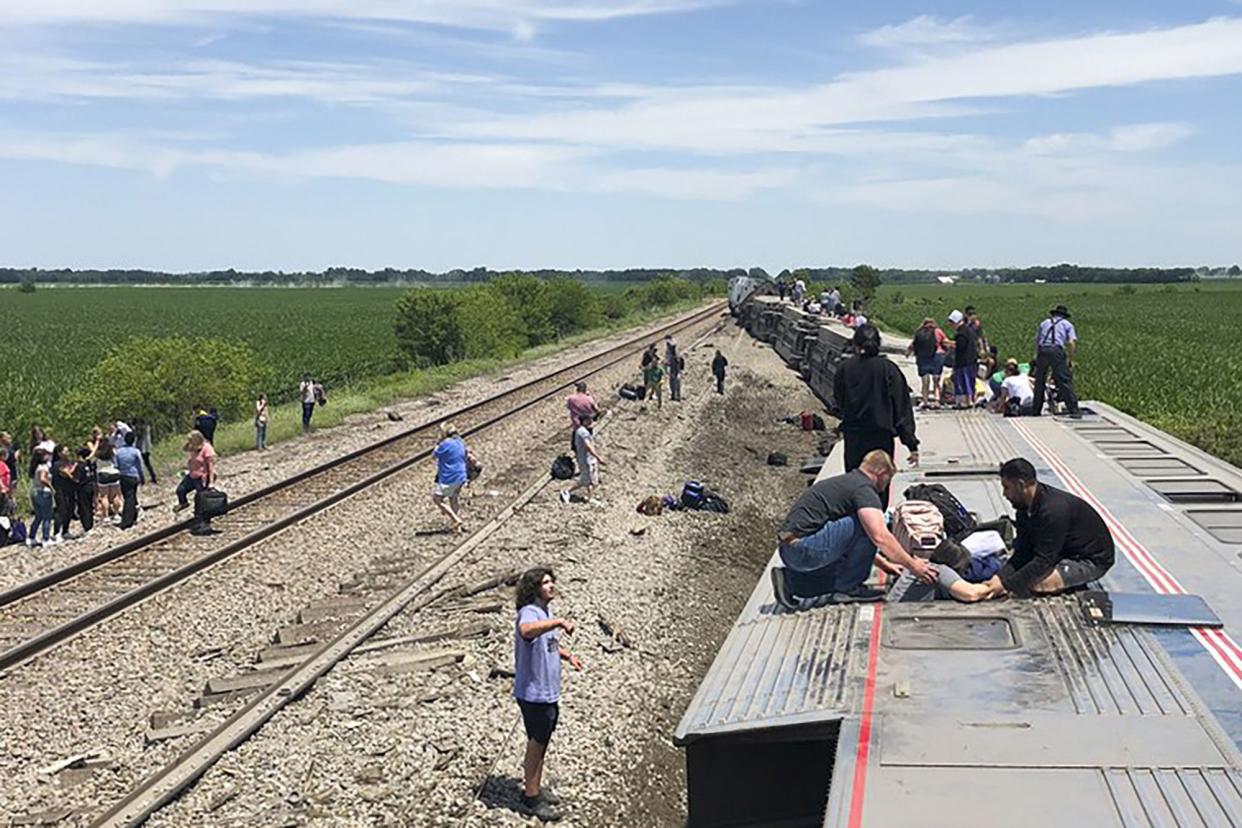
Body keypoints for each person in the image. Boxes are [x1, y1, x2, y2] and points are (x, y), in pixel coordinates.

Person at [772, 450, 938, 608]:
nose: (886, 484)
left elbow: (850, 539)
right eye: (888, 478)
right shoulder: (863, 489)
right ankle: (849, 589)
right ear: (880, 471)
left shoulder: (847, 482)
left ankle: (791, 581)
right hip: (806, 549)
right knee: (869, 523)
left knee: (843, 571)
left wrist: (885, 564)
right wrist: (914, 566)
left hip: (791, 551)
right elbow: (879, 536)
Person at [977, 458, 1114, 599]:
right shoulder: (1024, 508)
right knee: (1020, 577)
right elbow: (1024, 551)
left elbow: (1043, 561)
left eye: (1007, 488)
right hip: (1061, 551)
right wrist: (999, 578)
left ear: (1020, 485)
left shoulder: (1053, 511)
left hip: (1090, 560)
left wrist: (1007, 586)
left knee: (1038, 584)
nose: (1004, 495)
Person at [513, 567, 582, 822]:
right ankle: (530, 798)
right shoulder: (529, 612)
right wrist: (557, 622)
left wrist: (568, 656)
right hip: (533, 693)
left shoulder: (545, 611)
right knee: (536, 742)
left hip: (548, 692)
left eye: (552, 581)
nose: (552, 585)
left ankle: (535, 789)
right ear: (534, 588)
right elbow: (527, 631)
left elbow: (548, 643)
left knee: (542, 742)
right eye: (545, 583)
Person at [833, 324, 919, 505]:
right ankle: (876, 527)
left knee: (855, 488)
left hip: (854, 437)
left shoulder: (844, 369)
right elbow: (901, 408)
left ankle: (858, 527)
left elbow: (839, 402)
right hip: (881, 438)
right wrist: (910, 442)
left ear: (856, 344)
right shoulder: (888, 369)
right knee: (879, 488)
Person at [1031, 304, 1081, 418]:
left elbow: (1037, 340)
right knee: (1064, 380)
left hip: (1043, 350)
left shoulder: (1044, 323)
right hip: (1056, 350)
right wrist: (1071, 359)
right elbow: (1071, 343)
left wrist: (1036, 356)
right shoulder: (1067, 324)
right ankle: (1073, 409)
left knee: (1040, 381)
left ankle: (1036, 410)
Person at [174, 430, 216, 532]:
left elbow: (211, 468)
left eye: (190, 440)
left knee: (201, 501)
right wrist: (189, 443)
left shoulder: (207, 449)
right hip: (192, 475)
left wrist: (211, 483)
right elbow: (184, 449)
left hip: (202, 478)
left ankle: (204, 523)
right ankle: (183, 503)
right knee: (180, 490)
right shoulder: (193, 447)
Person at [560, 413, 604, 504]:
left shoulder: (581, 430)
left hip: (589, 459)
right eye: (588, 420)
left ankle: (589, 497)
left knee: (591, 480)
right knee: (586, 480)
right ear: (583, 421)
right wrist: (598, 457)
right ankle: (567, 491)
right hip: (586, 459)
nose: (591, 421)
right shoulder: (583, 432)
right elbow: (588, 446)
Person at [432, 422, 468, 532]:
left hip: (449, 477)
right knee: (453, 498)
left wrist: (438, 443)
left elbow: (434, 455)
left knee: (437, 499)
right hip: (461, 475)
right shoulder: (460, 442)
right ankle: (457, 528)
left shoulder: (444, 444)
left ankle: (456, 519)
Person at [906, 317, 947, 408]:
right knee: (936, 380)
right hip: (937, 356)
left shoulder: (919, 332)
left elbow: (913, 344)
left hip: (922, 357)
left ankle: (925, 401)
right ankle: (937, 400)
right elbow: (945, 342)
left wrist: (908, 353)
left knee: (925, 381)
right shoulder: (938, 331)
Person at [947, 309, 978, 408]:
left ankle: (963, 402)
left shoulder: (962, 332)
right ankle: (970, 401)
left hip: (964, 361)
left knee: (963, 382)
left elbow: (961, 345)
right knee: (969, 381)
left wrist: (950, 344)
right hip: (971, 360)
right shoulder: (969, 330)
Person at [115, 431, 145, 529]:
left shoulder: (118, 452)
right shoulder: (136, 451)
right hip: (133, 476)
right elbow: (140, 465)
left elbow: (116, 465)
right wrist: (142, 476)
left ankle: (132, 517)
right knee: (131, 497)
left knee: (128, 496)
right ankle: (128, 520)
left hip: (123, 476)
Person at [51, 444, 78, 542]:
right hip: (60, 490)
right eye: (65, 451)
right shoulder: (57, 464)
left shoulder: (68, 462)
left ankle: (65, 530)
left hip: (70, 490)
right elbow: (66, 473)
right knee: (61, 511)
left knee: (70, 510)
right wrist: (74, 466)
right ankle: (56, 532)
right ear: (59, 453)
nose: (67, 453)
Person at [28, 448, 55, 547]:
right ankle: (46, 538)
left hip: (34, 491)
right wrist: (51, 487)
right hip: (43, 492)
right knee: (47, 517)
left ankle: (31, 537)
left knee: (38, 516)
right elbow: (43, 479)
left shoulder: (35, 467)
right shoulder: (43, 467)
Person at [93, 440, 123, 524]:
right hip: (113, 472)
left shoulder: (98, 454)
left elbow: (91, 459)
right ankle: (116, 515)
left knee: (104, 496)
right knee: (116, 495)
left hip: (102, 474)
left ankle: (106, 516)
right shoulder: (112, 452)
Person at [565, 382, 599, 449]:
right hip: (588, 425)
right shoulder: (589, 399)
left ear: (577, 389)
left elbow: (569, 407)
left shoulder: (571, 399)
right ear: (585, 390)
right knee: (588, 444)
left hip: (577, 426)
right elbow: (596, 410)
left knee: (575, 446)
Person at [73, 446, 96, 533]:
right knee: (89, 506)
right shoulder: (89, 464)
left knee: (83, 507)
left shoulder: (79, 466)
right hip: (90, 486)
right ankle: (90, 524)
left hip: (82, 488)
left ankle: (87, 526)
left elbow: (77, 479)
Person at [133, 417, 157, 483]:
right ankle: (153, 477)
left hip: (142, 448)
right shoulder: (147, 427)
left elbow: (138, 435)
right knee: (148, 463)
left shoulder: (142, 428)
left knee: (140, 464)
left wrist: (134, 430)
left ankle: (142, 479)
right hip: (147, 448)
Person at [664, 335, 683, 402]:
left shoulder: (670, 352)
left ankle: (674, 395)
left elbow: (667, 359)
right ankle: (678, 395)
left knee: (672, 381)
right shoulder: (676, 350)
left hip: (673, 367)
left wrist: (666, 366)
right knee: (677, 381)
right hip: (677, 366)